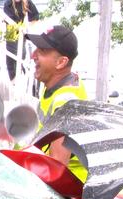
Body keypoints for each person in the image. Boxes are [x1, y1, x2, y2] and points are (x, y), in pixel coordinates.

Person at [25, 25, 89, 182]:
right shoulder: (56, 86)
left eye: (42, 51)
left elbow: (56, 167)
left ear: (61, 62)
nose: (33, 55)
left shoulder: (65, 101)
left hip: (68, 197)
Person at [3, 0, 40, 81]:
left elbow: (35, 17)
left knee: (21, 57)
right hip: (11, 34)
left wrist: (27, 27)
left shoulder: (27, 2)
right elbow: (10, 22)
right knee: (11, 62)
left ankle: (20, 80)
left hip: (21, 34)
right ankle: (13, 82)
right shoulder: (8, 3)